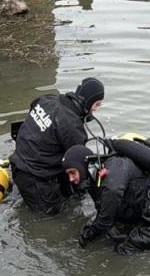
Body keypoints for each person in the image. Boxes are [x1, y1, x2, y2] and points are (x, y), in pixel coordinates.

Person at [62, 145, 150, 255]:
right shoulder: (93, 179)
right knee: (110, 235)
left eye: (72, 172)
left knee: (126, 247)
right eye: (68, 174)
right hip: (148, 213)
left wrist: (88, 235)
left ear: (84, 165)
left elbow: (105, 216)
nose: (70, 179)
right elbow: (104, 212)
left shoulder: (115, 168)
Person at [9, 78, 105, 215]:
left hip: (18, 162)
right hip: (36, 181)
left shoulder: (48, 98)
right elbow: (80, 166)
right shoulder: (73, 127)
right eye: (96, 104)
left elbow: (32, 112)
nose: (96, 109)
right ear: (89, 102)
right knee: (51, 219)